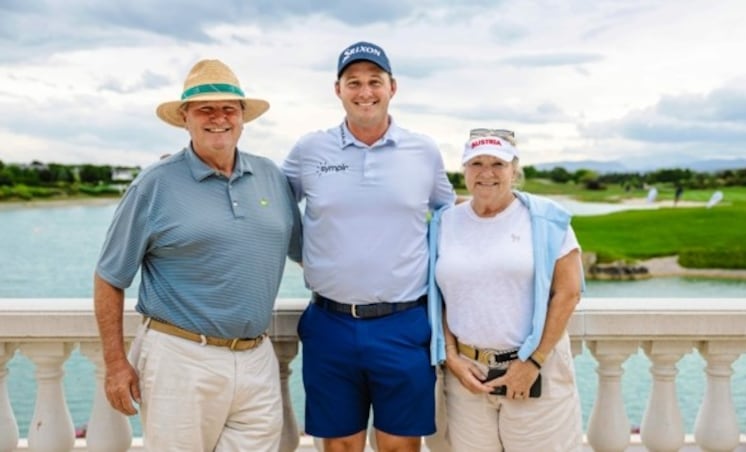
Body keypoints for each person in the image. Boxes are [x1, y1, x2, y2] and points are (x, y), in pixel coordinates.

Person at [93, 59, 302, 451]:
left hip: (257, 358)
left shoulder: (271, 177)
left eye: (229, 108)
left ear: (242, 117)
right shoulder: (153, 185)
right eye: (205, 108)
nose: (218, 118)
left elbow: (309, 253)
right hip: (180, 359)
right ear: (185, 118)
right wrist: (116, 364)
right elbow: (109, 276)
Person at [282, 41, 455, 452]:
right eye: (353, 82)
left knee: (399, 445)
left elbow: (453, 218)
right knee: (340, 444)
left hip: (403, 323)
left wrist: (519, 214)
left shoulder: (423, 151)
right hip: (330, 322)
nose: (365, 92)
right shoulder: (310, 150)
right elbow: (269, 208)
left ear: (392, 87)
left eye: (374, 81)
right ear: (337, 89)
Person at [428, 130, 584, 451]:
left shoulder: (546, 219)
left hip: (533, 372)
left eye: (498, 163)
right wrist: (453, 357)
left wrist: (533, 362)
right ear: (464, 171)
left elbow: (568, 293)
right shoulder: (444, 223)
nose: (487, 173)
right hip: (468, 379)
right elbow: (441, 298)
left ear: (514, 169)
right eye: (477, 163)